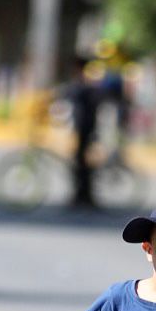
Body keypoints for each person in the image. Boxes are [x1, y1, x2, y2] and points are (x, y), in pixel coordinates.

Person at [61, 54, 101, 208]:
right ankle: (81, 194)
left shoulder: (86, 82)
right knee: (79, 163)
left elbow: (74, 95)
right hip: (82, 128)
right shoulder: (83, 82)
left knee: (82, 164)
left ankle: (84, 196)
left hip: (86, 129)